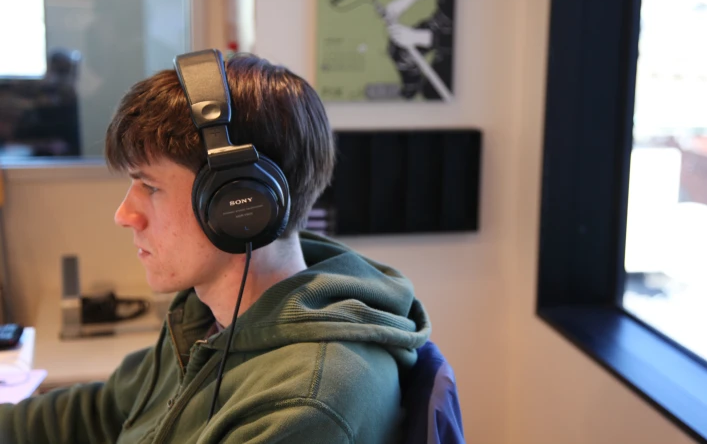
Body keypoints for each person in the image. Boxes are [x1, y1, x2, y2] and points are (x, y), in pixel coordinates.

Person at [0, 51, 431, 443]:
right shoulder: (206, 317)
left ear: (237, 202)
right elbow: (104, 411)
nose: (124, 215)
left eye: (149, 186)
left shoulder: (302, 409)